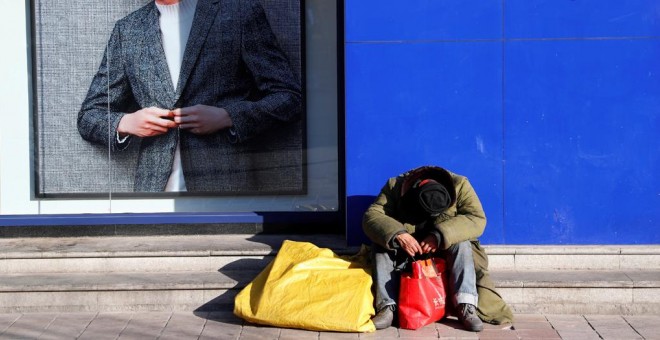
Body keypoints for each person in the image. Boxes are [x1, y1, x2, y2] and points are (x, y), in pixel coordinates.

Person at [77, 0, 302, 193]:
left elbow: (288, 97)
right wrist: (126, 123)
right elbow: (89, 116)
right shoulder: (127, 30)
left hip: (224, 190)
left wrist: (227, 117)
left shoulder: (239, 13)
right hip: (153, 194)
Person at [362, 165, 514, 331]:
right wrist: (398, 234)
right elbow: (372, 215)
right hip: (407, 253)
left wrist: (440, 235)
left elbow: (477, 219)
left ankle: (466, 305)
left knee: (462, 243)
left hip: (444, 253)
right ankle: (387, 307)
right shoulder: (394, 186)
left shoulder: (461, 184)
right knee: (382, 244)